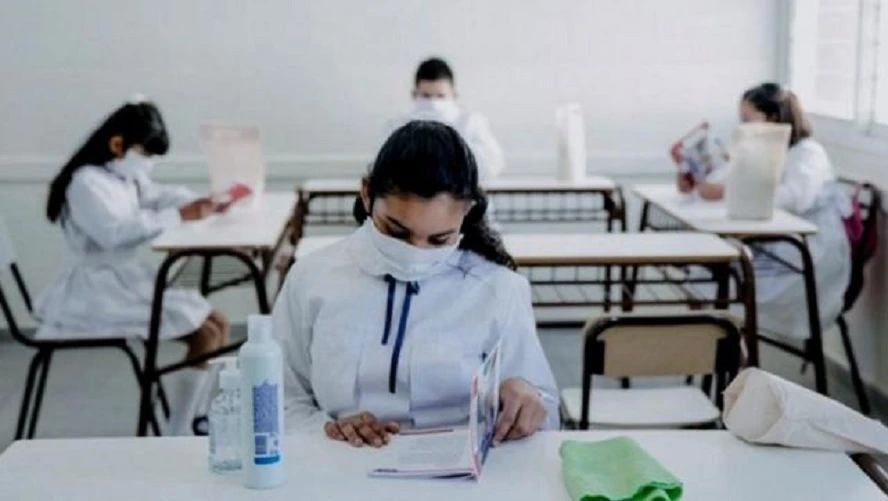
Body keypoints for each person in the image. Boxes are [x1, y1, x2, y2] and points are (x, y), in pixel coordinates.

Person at [273, 120, 558, 447]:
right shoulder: (312, 278)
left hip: (459, 470)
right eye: (396, 232)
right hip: (339, 460)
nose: (415, 254)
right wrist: (326, 430)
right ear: (366, 194)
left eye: (439, 239)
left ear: (466, 212)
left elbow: (546, 414)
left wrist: (527, 401)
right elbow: (278, 397)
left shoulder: (498, 289)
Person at [35, 99, 231, 435]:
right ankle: (179, 431)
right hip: (95, 291)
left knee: (219, 324)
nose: (148, 163)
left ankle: (195, 416)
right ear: (117, 144)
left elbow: (157, 195)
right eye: (145, 153)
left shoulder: (120, 177)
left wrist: (201, 201)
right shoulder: (85, 183)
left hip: (122, 280)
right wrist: (179, 216)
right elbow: (113, 233)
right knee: (205, 334)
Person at [677, 83, 851, 340]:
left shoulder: (807, 153)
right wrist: (695, 183)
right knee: (700, 281)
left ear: (773, 118)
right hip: (773, 247)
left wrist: (727, 192)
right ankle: (715, 355)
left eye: (747, 120)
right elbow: (723, 182)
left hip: (807, 256)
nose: (742, 127)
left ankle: (728, 355)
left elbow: (795, 198)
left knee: (716, 287)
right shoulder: (760, 149)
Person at [383, 57, 505, 182]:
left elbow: (491, 166)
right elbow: (383, 169)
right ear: (414, 95)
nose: (433, 103)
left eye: (440, 96)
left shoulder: (472, 123)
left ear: (454, 95)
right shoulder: (395, 125)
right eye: (426, 96)